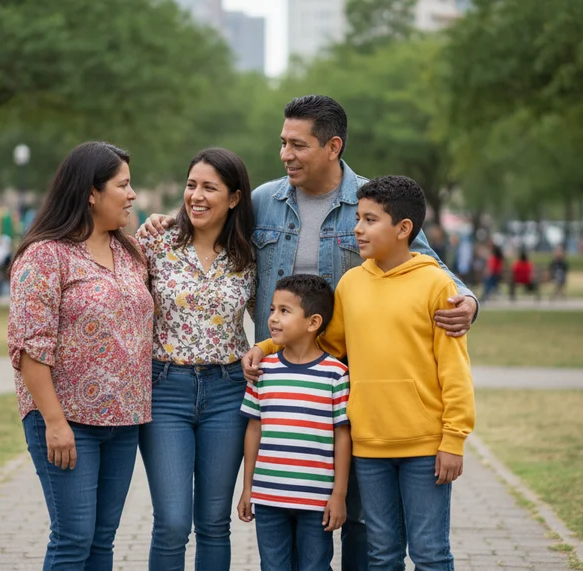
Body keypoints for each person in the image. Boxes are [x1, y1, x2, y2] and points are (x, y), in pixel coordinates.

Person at [140, 96, 478, 570]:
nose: (285, 154)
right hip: (282, 385)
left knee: (360, 518)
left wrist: (467, 300)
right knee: (287, 506)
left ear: (333, 146)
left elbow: (424, 260)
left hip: (352, 385)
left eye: (298, 145)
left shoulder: (370, 201)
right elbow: (209, 225)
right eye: (282, 143)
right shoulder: (263, 202)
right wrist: (164, 222)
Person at [247, 176, 475, 571]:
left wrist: (453, 439)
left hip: (424, 446)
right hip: (369, 447)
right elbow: (328, 344)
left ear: (403, 229)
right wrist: (266, 347)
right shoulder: (351, 284)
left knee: (430, 553)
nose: (357, 228)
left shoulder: (436, 283)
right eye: (358, 217)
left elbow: (454, 369)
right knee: (381, 554)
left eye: (370, 220)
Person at [7, 141, 154, 571]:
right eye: (123, 185)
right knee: (73, 539)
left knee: (102, 542)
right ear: (91, 192)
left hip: (124, 422)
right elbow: (30, 348)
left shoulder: (130, 253)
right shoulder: (45, 255)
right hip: (66, 420)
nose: (132, 195)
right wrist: (54, 423)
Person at [136, 148, 256, 571]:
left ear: (235, 198)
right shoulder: (155, 240)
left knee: (213, 523)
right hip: (164, 389)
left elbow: (276, 320)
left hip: (228, 393)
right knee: (171, 522)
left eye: (210, 187)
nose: (197, 196)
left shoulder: (248, 254)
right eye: (191, 185)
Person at [237, 274, 351, 571]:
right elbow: (254, 428)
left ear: (313, 322)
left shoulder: (335, 374)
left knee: (314, 567)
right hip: (269, 496)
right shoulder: (263, 371)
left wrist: (338, 495)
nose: (273, 318)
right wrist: (248, 488)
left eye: (284, 311)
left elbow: (342, 436)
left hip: (316, 500)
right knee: (273, 566)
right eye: (273, 309)